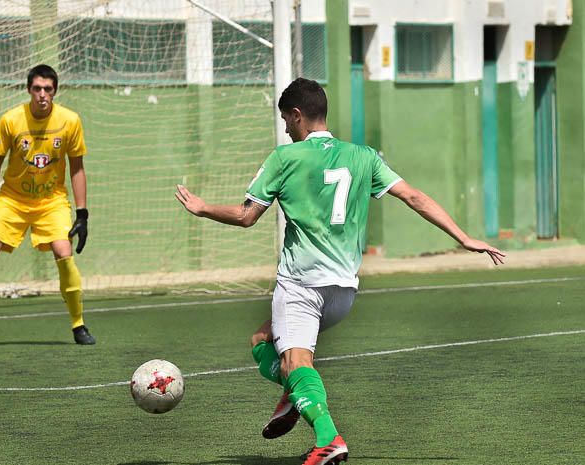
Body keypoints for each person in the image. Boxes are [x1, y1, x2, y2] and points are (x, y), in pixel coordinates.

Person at [175, 78, 505, 465]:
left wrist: (203, 208)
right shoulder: (363, 156)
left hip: (301, 286)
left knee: (296, 362)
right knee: (262, 338)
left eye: (286, 120)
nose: (285, 128)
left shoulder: (285, 158)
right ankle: (296, 394)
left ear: (297, 116)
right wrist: (464, 238)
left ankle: (328, 437)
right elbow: (414, 196)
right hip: (344, 292)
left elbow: (247, 216)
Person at [0, 64, 96, 350]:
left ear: (55, 91)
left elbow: (77, 169)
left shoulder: (70, 121)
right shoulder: (11, 120)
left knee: (64, 250)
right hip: (12, 199)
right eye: (37, 89)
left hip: (52, 201)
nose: (42, 95)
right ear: (29, 90)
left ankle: (79, 324)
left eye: (48, 89)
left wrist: (82, 213)